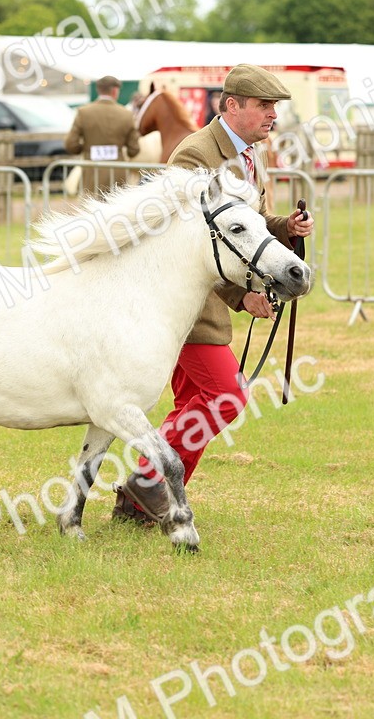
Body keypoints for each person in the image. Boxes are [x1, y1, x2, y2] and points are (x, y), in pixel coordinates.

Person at [112, 63, 315, 525]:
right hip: (183, 301)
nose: (271, 115)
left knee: (193, 405)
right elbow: (186, 241)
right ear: (232, 106)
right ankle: (144, 487)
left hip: (206, 295)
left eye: (274, 107)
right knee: (225, 396)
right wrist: (239, 297)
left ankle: (143, 500)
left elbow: (247, 226)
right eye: (263, 106)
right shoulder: (194, 156)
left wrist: (286, 228)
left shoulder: (251, 154)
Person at [63, 75, 140, 195]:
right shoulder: (127, 115)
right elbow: (134, 149)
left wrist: (85, 149)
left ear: (99, 90)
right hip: (118, 174)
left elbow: (71, 144)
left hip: (91, 172)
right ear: (115, 91)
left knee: (90, 209)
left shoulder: (83, 113)